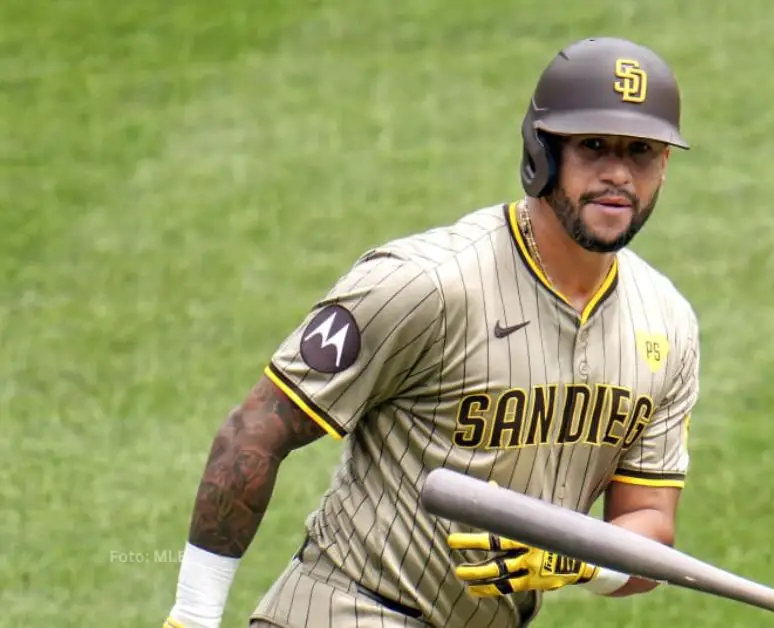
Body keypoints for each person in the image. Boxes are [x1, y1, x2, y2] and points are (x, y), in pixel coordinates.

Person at [164, 35, 701, 628]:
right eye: (593, 146)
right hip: (347, 609)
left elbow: (650, 526)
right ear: (541, 151)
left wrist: (577, 561)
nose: (618, 174)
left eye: (642, 152)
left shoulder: (666, 323)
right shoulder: (428, 283)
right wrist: (192, 616)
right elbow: (256, 431)